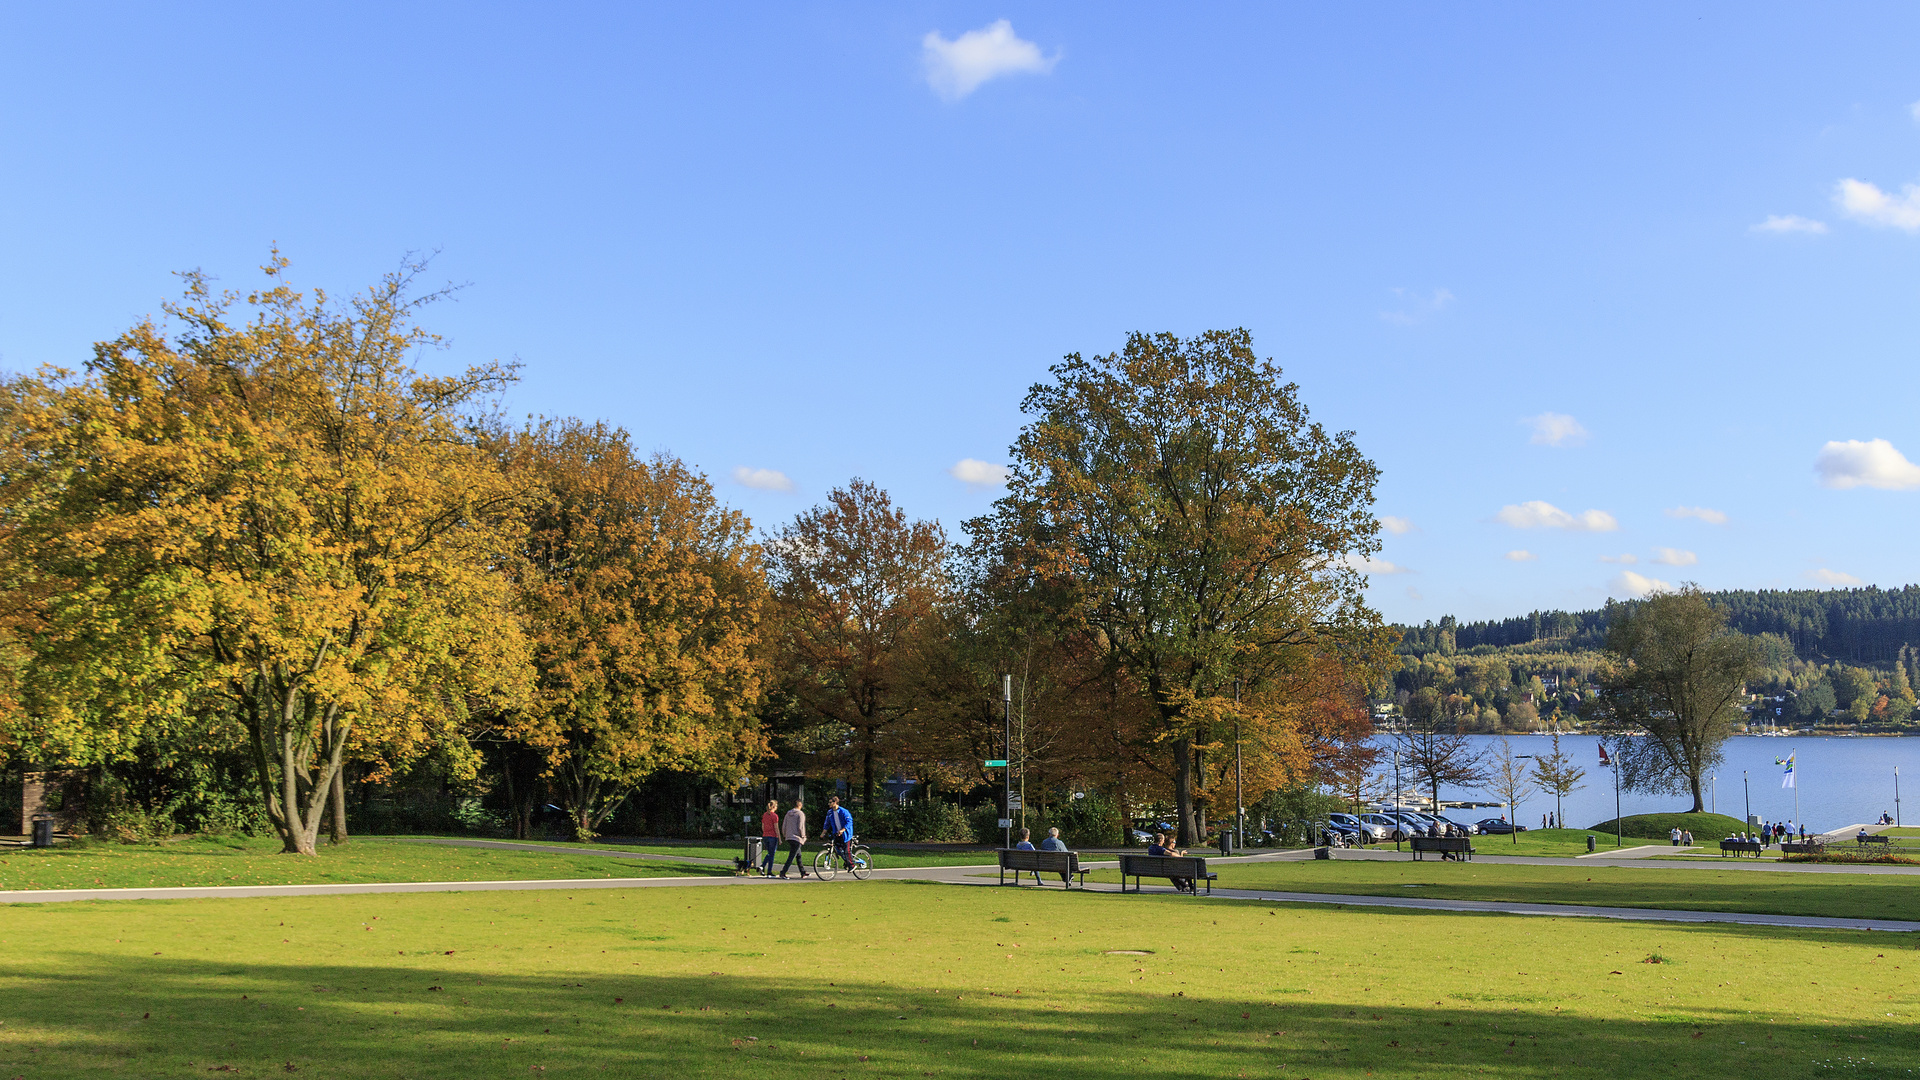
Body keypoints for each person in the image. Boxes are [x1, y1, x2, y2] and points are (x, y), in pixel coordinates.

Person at [822, 795, 855, 872]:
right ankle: (846, 862)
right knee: (838, 850)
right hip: (836, 833)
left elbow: (849, 822)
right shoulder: (830, 812)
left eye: (830, 802)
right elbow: (827, 823)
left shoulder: (843, 811)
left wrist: (843, 830)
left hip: (846, 834)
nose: (829, 804)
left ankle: (851, 865)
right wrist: (823, 832)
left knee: (847, 850)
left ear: (835, 802)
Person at [778, 798, 809, 878]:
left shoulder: (788, 813)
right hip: (797, 838)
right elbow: (800, 826)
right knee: (792, 856)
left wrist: (785, 834)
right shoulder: (800, 814)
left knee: (798, 855)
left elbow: (784, 825)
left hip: (789, 836)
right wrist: (803, 836)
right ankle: (783, 872)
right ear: (799, 805)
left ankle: (803, 872)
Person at [759, 799, 781, 876]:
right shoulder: (775, 816)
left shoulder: (765, 815)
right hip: (773, 836)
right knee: (772, 854)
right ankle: (768, 871)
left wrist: (765, 833)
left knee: (769, 853)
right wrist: (779, 838)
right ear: (774, 807)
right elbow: (776, 828)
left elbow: (763, 826)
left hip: (765, 835)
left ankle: (762, 867)